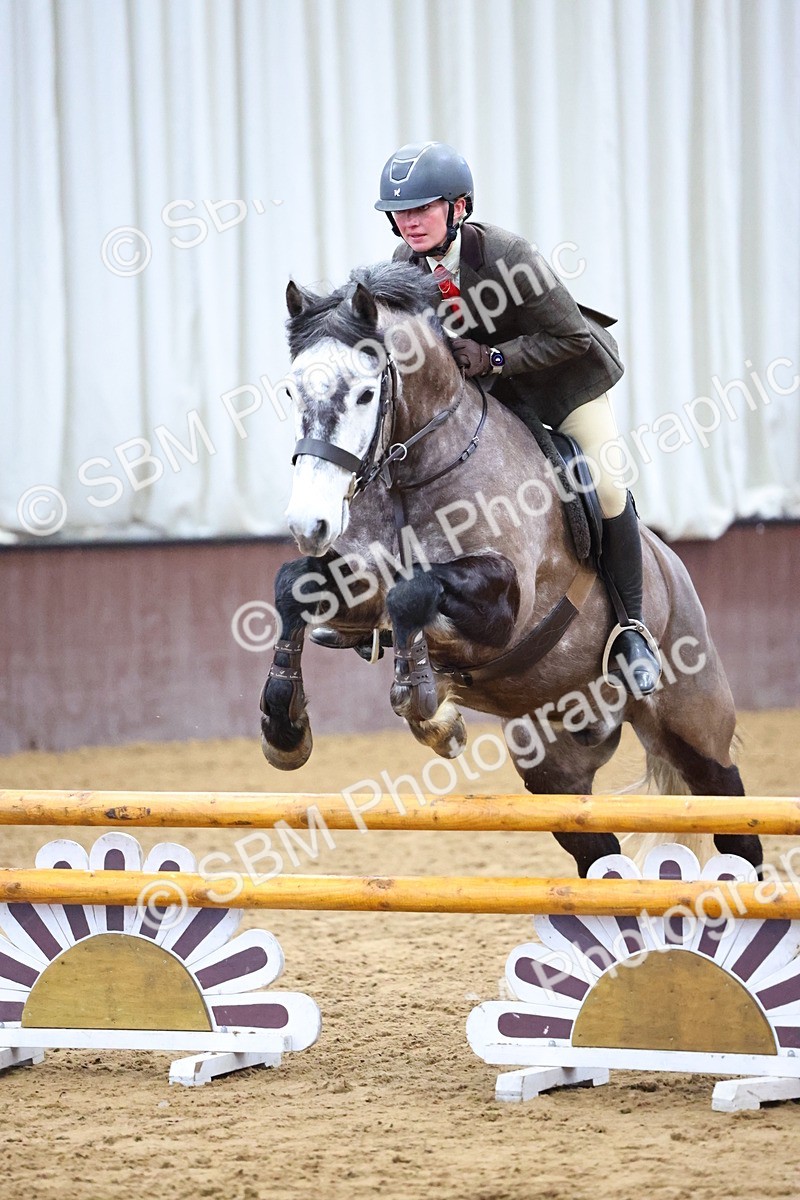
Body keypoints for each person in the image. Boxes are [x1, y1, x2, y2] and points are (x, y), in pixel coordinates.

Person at [374, 140, 661, 697]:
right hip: (492, 400)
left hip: (561, 383)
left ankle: (631, 628)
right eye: (401, 212)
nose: (410, 222)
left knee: (602, 486)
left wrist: (496, 357)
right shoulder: (403, 269)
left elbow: (572, 336)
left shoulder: (510, 255)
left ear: (459, 207)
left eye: (423, 207)